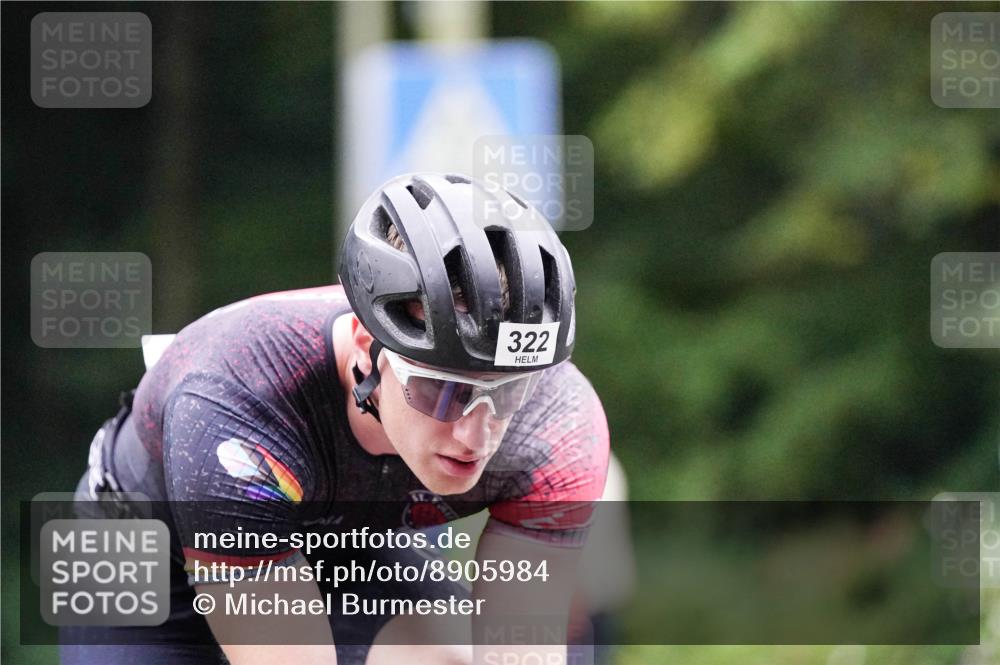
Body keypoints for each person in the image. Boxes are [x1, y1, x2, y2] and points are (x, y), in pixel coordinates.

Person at [60, 173, 610, 665]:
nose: (476, 433)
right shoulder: (238, 398)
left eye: (511, 395)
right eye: (443, 392)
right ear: (367, 350)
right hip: (152, 550)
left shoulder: (559, 426)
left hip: (354, 540)